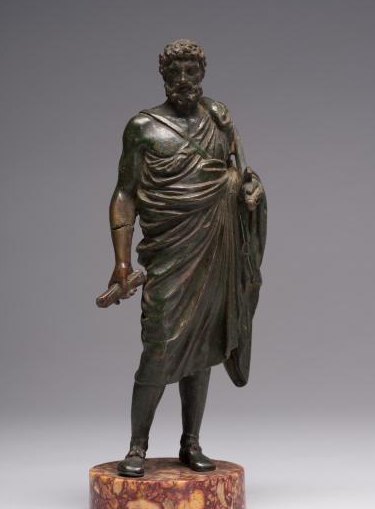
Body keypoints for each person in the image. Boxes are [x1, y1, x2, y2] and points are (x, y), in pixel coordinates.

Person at [106, 39, 267, 477]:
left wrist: (251, 192)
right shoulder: (143, 127)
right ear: (163, 76)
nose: (183, 80)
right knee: (159, 347)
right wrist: (121, 260)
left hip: (215, 248)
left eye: (191, 71)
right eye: (174, 72)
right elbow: (124, 194)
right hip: (169, 254)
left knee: (204, 346)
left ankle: (190, 442)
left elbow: (239, 176)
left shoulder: (219, 119)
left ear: (202, 74)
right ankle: (137, 446)